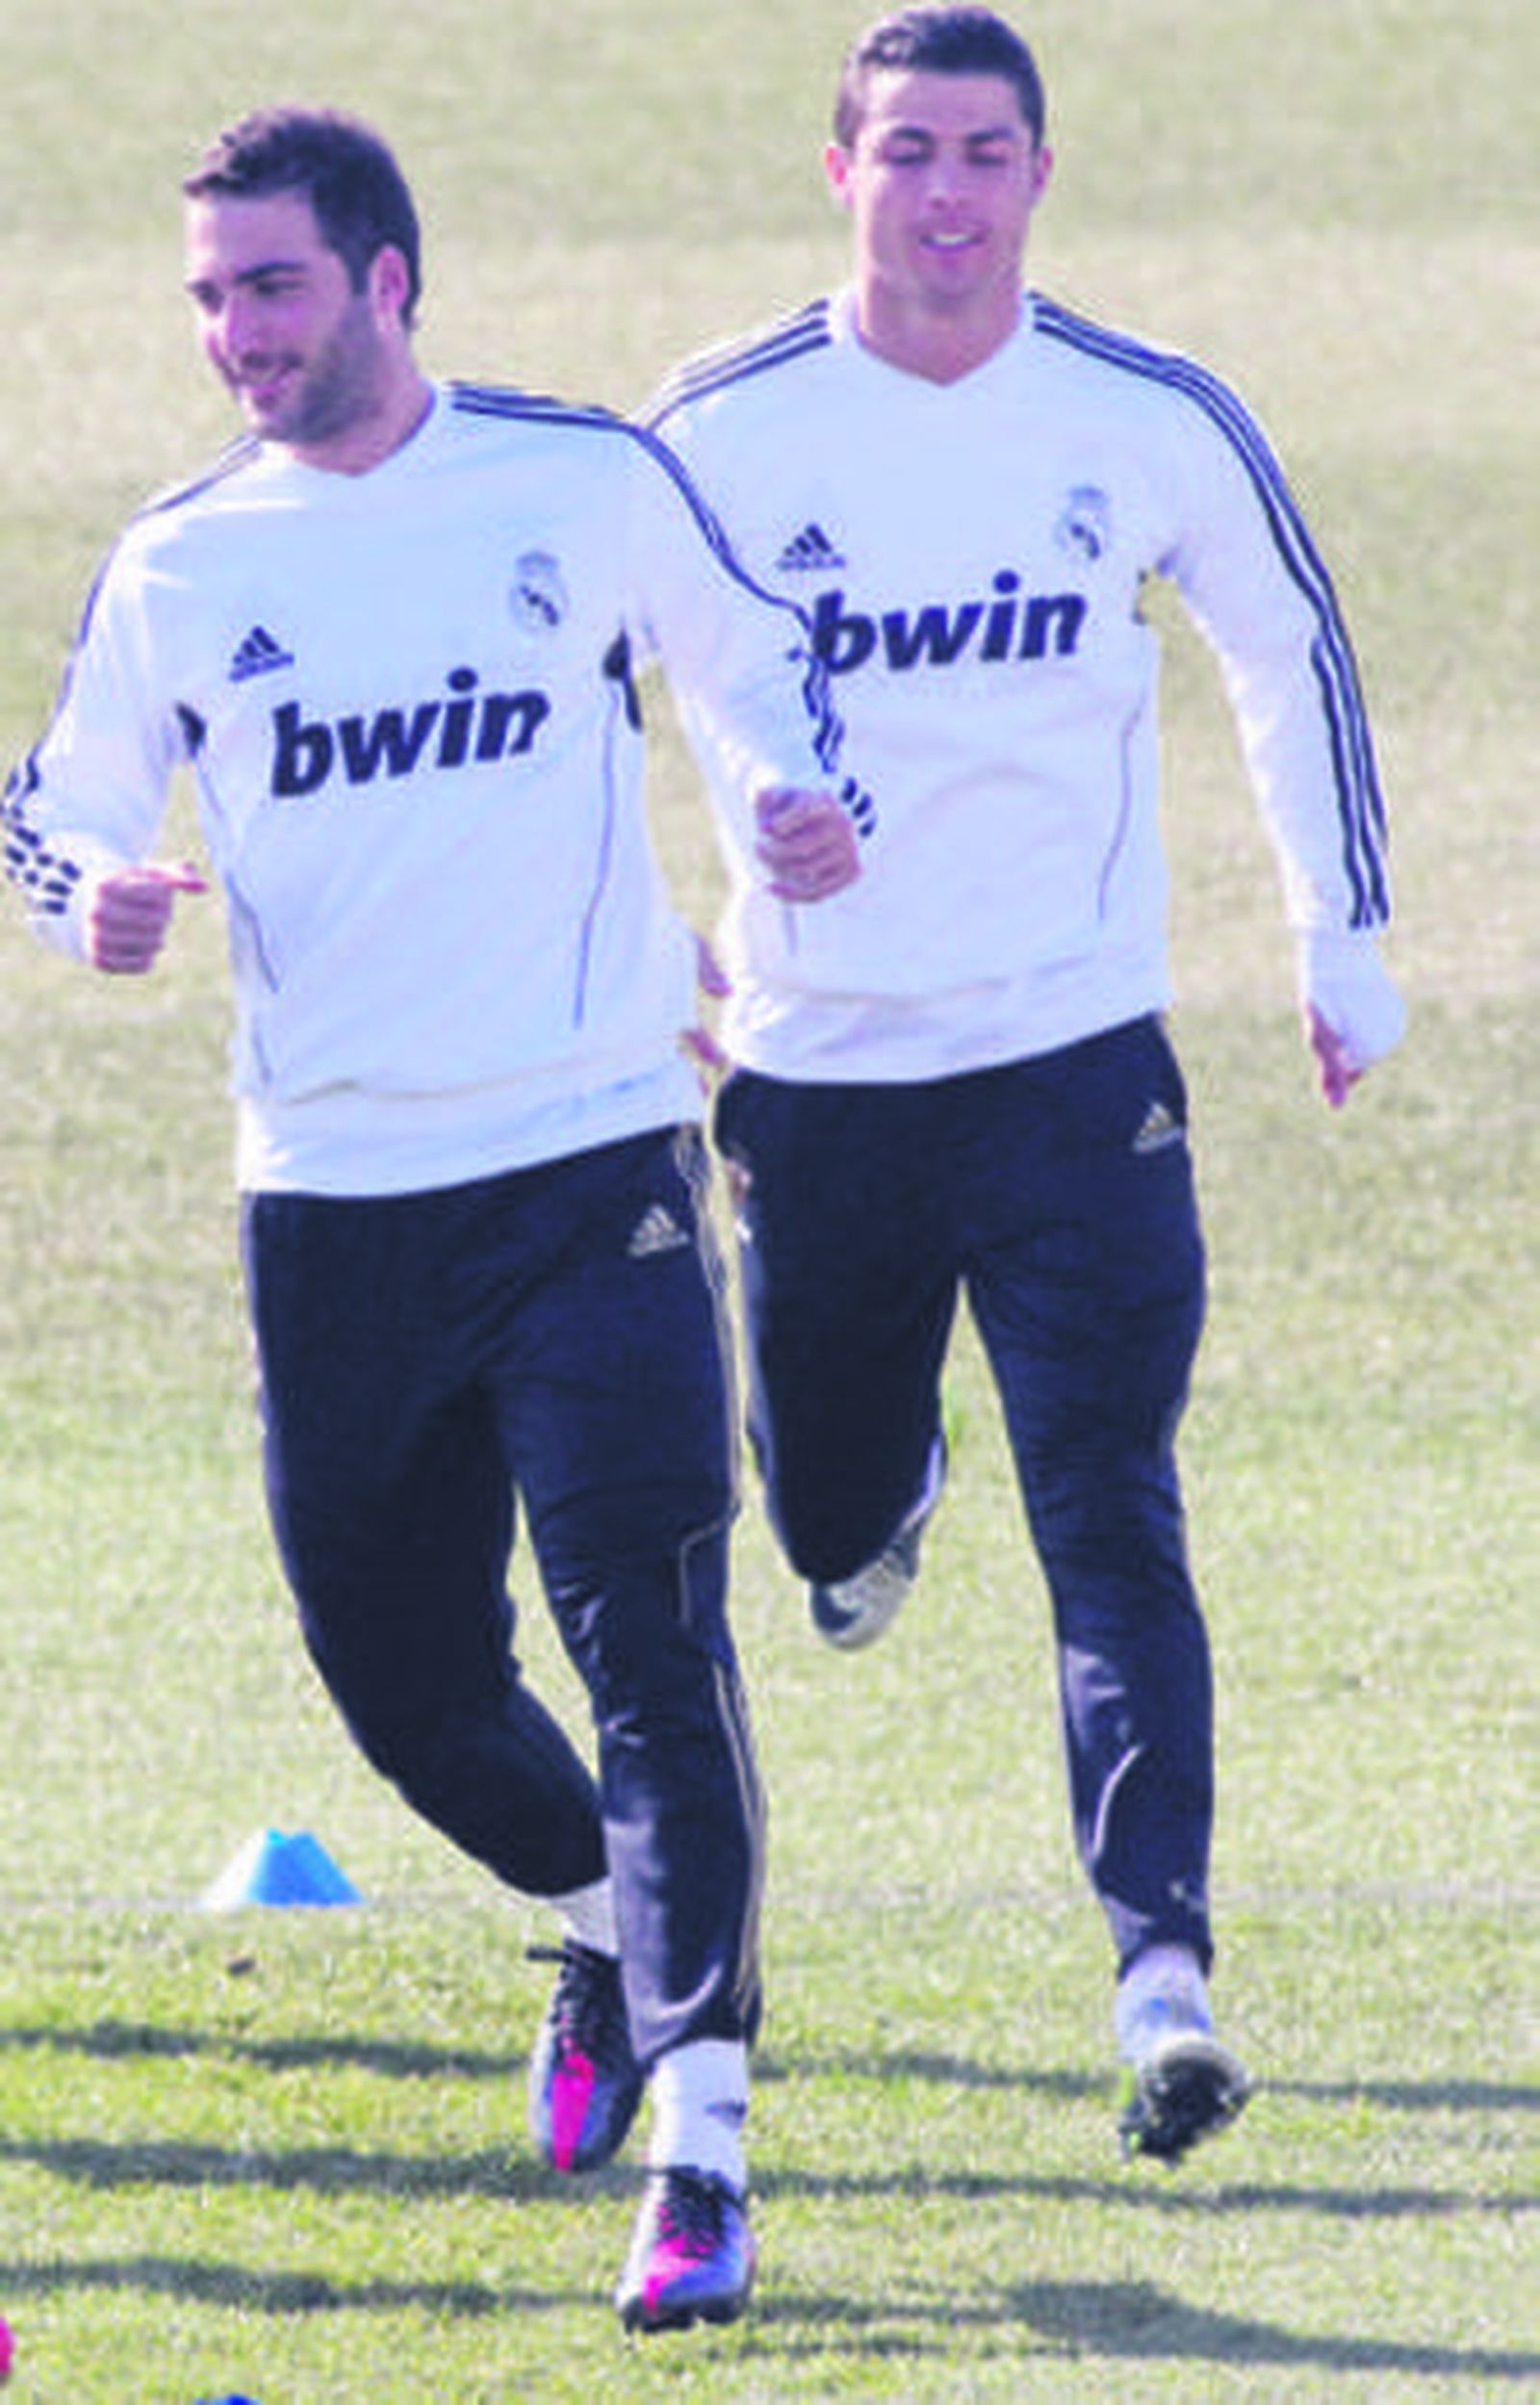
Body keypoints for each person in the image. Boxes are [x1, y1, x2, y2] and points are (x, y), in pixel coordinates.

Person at [2, 105, 866, 2332]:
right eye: (205, 295)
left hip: (592, 1171)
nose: (233, 335)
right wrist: (83, 891)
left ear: (389, 277)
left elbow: (766, 666)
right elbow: (51, 806)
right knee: (398, 1684)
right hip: (332, 1204)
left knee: (654, 1652)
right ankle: (602, 1921)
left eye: (269, 285)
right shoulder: (184, 562)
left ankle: (702, 2149)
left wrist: (791, 794)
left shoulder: (576, 480)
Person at [649, 5, 1405, 2163]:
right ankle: (869, 1502)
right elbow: (547, 693)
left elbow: (1285, 638)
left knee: (1109, 1506)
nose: (946, 194)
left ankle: (1158, 1965)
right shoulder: (712, 430)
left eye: (985, 151)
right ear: (838, 173)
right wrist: (648, 946)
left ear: (1039, 175)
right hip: (817, 1078)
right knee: (817, 1516)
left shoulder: (1143, 416)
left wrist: (1335, 942)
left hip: (1080, 1066)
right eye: (905, 151)